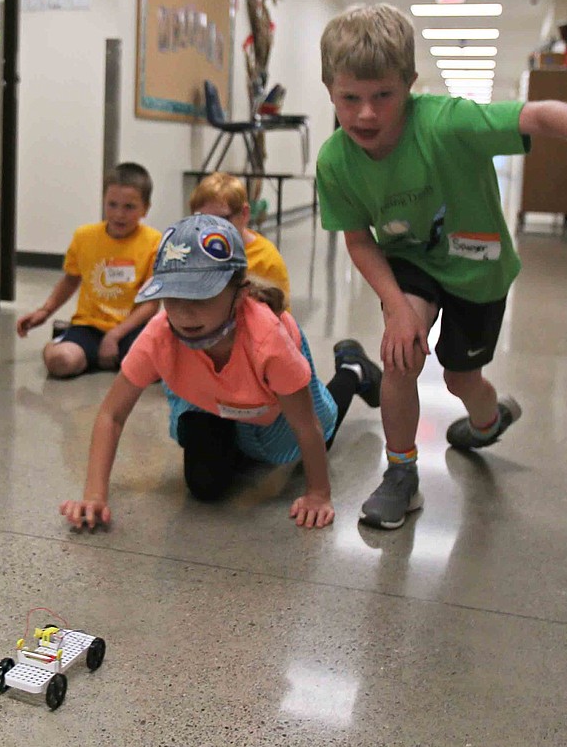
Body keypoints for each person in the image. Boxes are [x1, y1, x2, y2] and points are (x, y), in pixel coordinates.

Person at [316, 3, 567, 529]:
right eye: (350, 99)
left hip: (479, 271)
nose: (366, 114)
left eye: (383, 96)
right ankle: (401, 474)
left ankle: (488, 418)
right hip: (410, 261)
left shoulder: (448, 123)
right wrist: (395, 307)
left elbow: (542, 113)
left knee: (461, 378)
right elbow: (359, 239)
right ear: (330, 91)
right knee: (400, 352)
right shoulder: (335, 160)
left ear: (409, 84)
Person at [59, 214, 383, 532]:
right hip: (218, 404)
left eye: (202, 295)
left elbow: (306, 424)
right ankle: (240, 441)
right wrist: (94, 495)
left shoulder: (268, 340)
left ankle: (352, 370)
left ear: (240, 293)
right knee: (204, 486)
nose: (185, 313)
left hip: (277, 410)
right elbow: (111, 415)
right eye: (172, 297)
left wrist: (318, 494)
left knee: (318, 435)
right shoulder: (160, 335)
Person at [16, 162, 162, 378]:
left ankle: (109, 353)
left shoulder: (154, 242)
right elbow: (70, 280)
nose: (119, 214)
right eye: (112, 204)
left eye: (129, 207)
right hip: (89, 326)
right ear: (103, 202)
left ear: (145, 208)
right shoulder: (84, 237)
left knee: (150, 372)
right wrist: (45, 311)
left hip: (131, 327)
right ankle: (59, 342)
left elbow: (151, 304)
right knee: (61, 363)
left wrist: (114, 336)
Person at [188, 171, 290, 301]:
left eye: (221, 220)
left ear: (244, 214)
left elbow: (279, 316)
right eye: (202, 219)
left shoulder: (266, 260)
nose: (211, 229)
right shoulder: (193, 250)